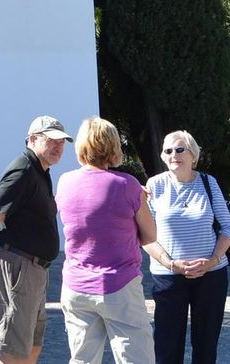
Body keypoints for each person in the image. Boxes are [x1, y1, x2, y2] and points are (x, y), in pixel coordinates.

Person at [56, 117, 157, 364]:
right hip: (119, 284)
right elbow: (150, 235)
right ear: (113, 146)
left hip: (76, 285)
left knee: (82, 359)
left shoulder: (65, 181)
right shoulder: (128, 185)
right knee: (136, 358)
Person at [0, 115, 72, 364]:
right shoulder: (24, 169)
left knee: (31, 348)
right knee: (13, 353)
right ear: (32, 139)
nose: (58, 146)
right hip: (17, 268)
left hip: (33, 270)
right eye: (51, 140)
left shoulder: (41, 170)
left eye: (62, 141)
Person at [143, 130, 230, 364]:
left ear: (193, 154)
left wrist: (213, 260)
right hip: (168, 275)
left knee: (206, 344)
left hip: (211, 275)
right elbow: (145, 236)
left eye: (180, 149)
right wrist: (170, 263)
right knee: (166, 344)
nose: (174, 154)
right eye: (168, 151)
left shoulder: (208, 182)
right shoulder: (154, 185)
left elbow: (228, 228)